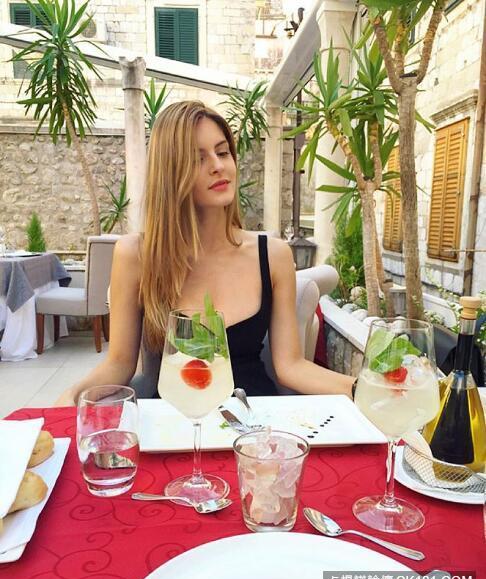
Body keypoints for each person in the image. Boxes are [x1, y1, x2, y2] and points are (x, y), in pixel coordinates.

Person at [56, 100, 354, 406]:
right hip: (176, 418)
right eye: (198, 159)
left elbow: (291, 366)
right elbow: (119, 364)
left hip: (253, 418)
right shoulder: (137, 255)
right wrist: (72, 396)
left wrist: (362, 389)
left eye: (222, 152)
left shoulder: (273, 255)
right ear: (170, 173)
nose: (218, 166)